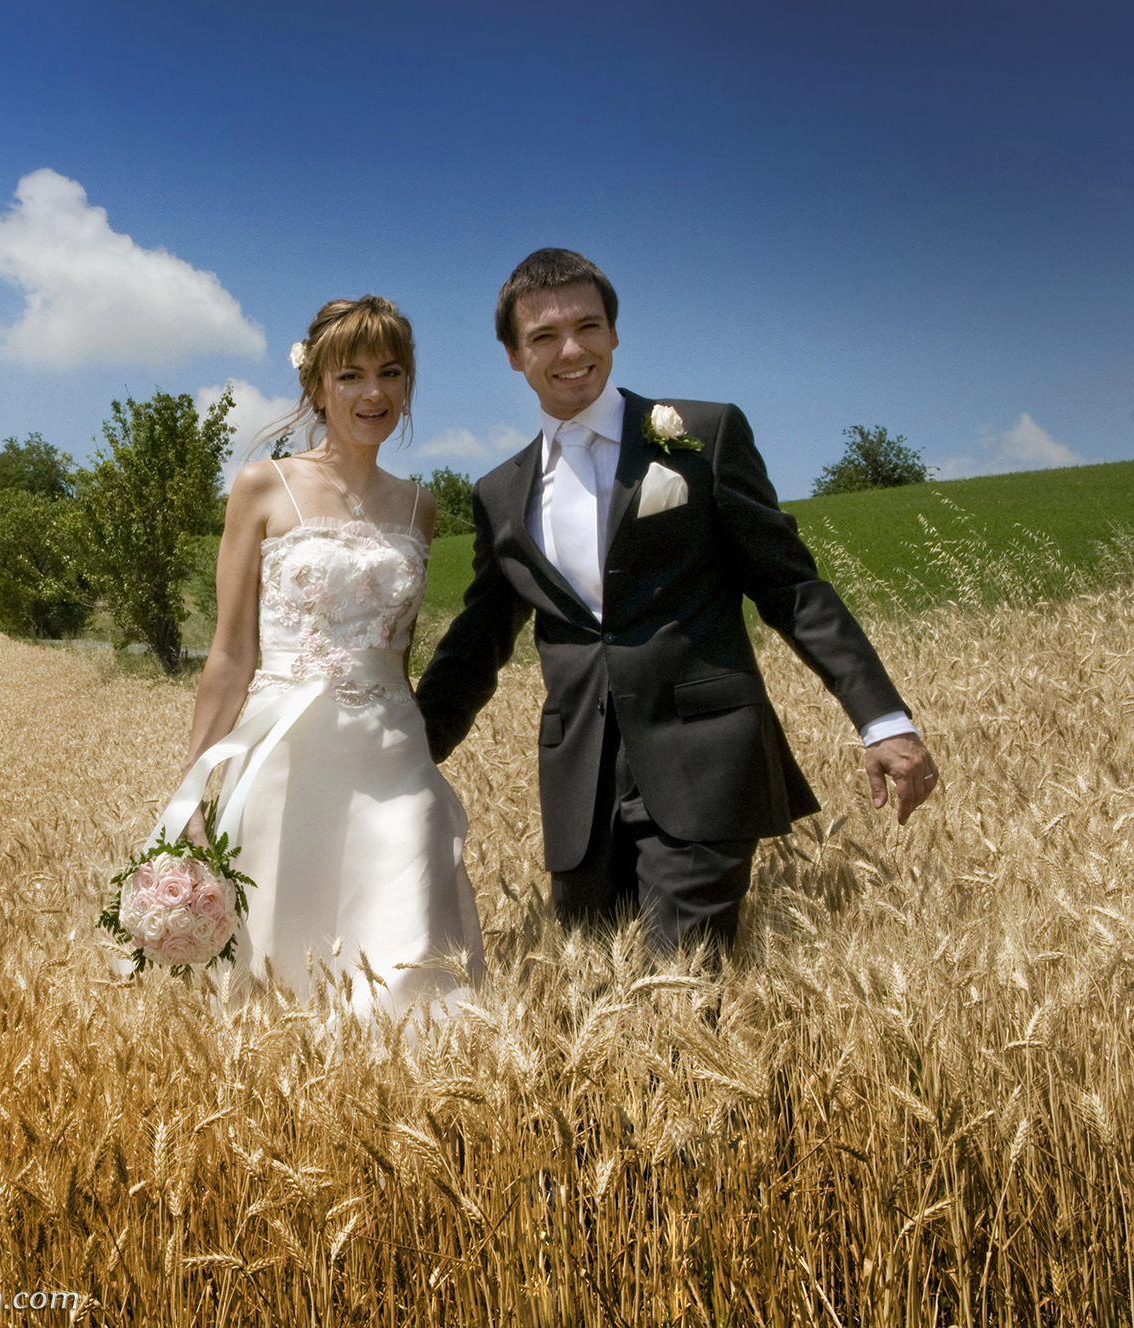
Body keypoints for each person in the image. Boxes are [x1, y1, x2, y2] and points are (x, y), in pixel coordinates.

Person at [415, 249, 940, 955]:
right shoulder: (499, 495)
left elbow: (792, 587)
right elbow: (477, 642)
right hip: (581, 784)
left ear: (615, 334)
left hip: (706, 759)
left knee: (681, 986)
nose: (570, 350)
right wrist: (408, 753)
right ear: (513, 355)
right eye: (543, 336)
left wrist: (883, 722)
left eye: (587, 326)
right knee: (592, 982)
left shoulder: (702, 437)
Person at [151, 295, 485, 1014]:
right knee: (283, 953)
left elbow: (398, 652)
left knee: (406, 944)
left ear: (408, 383)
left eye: (391, 373)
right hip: (284, 754)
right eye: (350, 376)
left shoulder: (422, 505)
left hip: (394, 751)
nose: (373, 393)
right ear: (316, 388)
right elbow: (231, 654)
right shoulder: (262, 487)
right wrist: (191, 789)